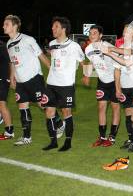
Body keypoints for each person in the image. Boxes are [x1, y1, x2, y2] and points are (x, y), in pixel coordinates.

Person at [3, 15, 64, 146]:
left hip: (34, 79)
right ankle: (27, 137)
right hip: (20, 82)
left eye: (6, 24)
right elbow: (13, 62)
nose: (3, 26)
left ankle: (60, 123)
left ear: (14, 26)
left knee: (43, 105)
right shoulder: (8, 44)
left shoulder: (27, 40)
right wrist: (12, 76)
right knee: (22, 107)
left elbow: (40, 55)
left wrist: (52, 69)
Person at [103, 24, 133, 152]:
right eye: (124, 32)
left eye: (128, 33)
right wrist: (118, 88)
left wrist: (111, 50)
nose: (125, 35)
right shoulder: (119, 48)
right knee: (129, 115)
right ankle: (131, 139)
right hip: (125, 87)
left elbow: (130, 53)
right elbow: (117, 70)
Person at [42, 17, 85, 151]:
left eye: (56, 26)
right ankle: (53, 141)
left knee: (66, 112)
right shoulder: (52, 43)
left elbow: (83, 62)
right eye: (53, 27)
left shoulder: (74, 46)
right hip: (51, 84)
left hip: (66, 85)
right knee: (49, 112)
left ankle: (67, 142)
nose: (53, 29)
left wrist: (86, 75)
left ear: (63, 29)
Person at [84, 25, 120, 147]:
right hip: (102, 81)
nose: (92, 35)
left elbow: (118, 64)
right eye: (90, 33)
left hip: (115, 81)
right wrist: (87, 75)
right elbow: (92, 62)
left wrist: (118, 86)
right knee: (101, 107)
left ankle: (112, 137)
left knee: (115, 108)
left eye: (95, 33)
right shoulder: (88, 49)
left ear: (100, 35)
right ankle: (102, 137)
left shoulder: (108, 47)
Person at [0, 39, 14, 140]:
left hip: (3, 79)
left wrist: (11, 77)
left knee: (2, 104)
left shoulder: (3, 47)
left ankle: (9, 132)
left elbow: (11, 62)